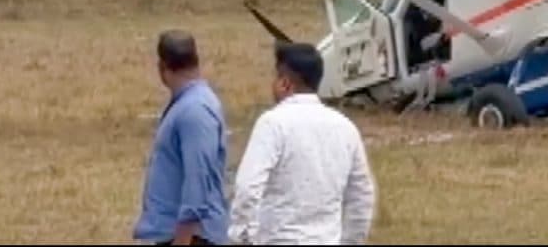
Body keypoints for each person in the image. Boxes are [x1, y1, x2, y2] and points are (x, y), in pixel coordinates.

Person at [228, 42, 376, 245]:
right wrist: (350, 240)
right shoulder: (346, 128)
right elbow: (362, 196)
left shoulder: (273, 123)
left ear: (285, 83)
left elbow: (247, 188)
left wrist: (244, 236)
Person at [134, 31, 230, 246]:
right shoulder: (190, 104)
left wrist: (183, 238)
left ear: (162, 67)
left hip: (192, 237)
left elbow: (198, 175)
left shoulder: (194, 110)